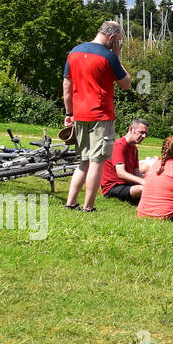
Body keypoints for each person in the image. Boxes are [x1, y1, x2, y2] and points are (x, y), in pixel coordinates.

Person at [62, 21, 131, 212]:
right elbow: (126, 84)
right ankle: (88, 206)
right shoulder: (109, 56)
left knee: (83, 160)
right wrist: (117, 57)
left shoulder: (74, 52)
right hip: (101, 115)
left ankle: (70, 202)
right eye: (117, 41)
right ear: (111, 38)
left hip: (80, 114)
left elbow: (67, 86)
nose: (117, 44)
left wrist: (69, 113)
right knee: (97, 161)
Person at [100, 118, 149, 204]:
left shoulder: (134, 148)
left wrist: (150, 181)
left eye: (145, 134)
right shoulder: (119, 145)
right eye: (141, 132)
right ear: (131, 129)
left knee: (153, 188)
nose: (144, 136)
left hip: (127, 184)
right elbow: (121, 173)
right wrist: (142, 182)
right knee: (143, 189)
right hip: (113, 187)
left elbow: (136, 171)